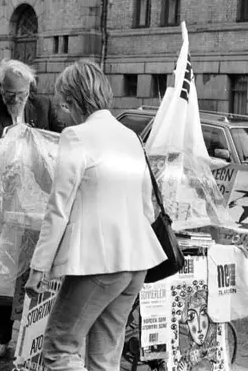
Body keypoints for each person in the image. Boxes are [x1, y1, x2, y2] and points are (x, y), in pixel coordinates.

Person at [24, 60, 167, 370]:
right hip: (136, 260)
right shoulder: (130, 137)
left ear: (72, 99)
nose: (61, 113)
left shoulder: (76, 136)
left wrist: (38, 267)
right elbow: (146, 205)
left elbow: (58, 208)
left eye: (62, 104)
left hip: (98, 261)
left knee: (60, 348)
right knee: (105, 357)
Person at [0, 58, 72, 359]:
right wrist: (10, 133)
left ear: (31, 89)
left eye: (22, 94)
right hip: (6, 206)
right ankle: (1, 337)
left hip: (40, 204)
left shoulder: (43, 106)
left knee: (39, 271)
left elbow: (62, 138)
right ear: (0, 89)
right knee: (3, 277)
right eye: (10, 94)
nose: (16, 99)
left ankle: (35, 334)